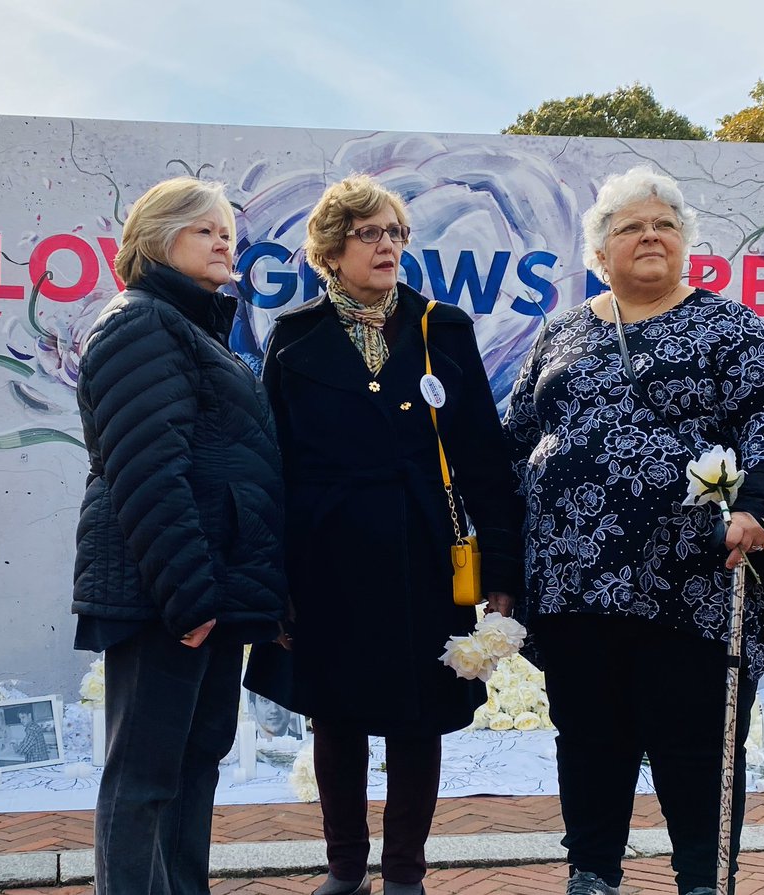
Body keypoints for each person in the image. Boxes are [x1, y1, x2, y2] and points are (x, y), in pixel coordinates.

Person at [503, 166, 764, 895]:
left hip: (692, 577)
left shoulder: (728, 327)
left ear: (685, 244)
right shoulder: (561, 332)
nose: (649, 235)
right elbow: (512, 440)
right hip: (574, 578)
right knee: (589, 739)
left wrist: (758, 505)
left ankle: (703, 879)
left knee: (696, 743)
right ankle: (592, 873)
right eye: (629, 227)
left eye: (664, 225)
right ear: (598, 252)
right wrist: (505, 565)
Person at [246, 174, 523, 895]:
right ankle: (345, 868)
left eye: (396, 233)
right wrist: (271, 580)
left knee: (416, 718)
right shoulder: (296, 335)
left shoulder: (444, 328)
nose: (388, 245)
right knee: (335, 719)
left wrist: (501, 572)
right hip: (323, 557)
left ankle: (404, 870)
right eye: (370, 233)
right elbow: (269, 465)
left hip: (421, 553)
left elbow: (484, 459)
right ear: (331, 250)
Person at [71, 176, 288, 895]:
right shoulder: (138, 323)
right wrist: (188, 596)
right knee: (144, 775)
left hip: (206, 592)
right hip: (168, 595)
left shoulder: (194, 331)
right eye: (204, 229)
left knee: (192, 766)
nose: (224, 239)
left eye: (227, 227)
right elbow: (147, 472)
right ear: (157, 241)